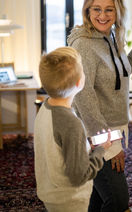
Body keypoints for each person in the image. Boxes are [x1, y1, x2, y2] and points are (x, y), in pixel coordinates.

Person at [67, 0, 132, 212]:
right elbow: (83, 97)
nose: (103, 15)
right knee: (117, 200)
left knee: (98, 199)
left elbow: (123, 70)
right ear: (87, 10)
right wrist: (109, 145)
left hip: (111, 129)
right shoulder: (84, 44)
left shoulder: (112, 37)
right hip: (96, 135)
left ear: (118, 11)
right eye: (96, 9)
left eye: (109, 9)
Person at [34, 46, 112, 212]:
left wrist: (85, 144)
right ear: (79, 82)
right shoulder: (72, 124)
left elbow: (57, 144)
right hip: (70, 200)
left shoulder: (45, 106)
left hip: (50, 192)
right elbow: (79, 176)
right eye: (83, 70)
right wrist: (100, 150)